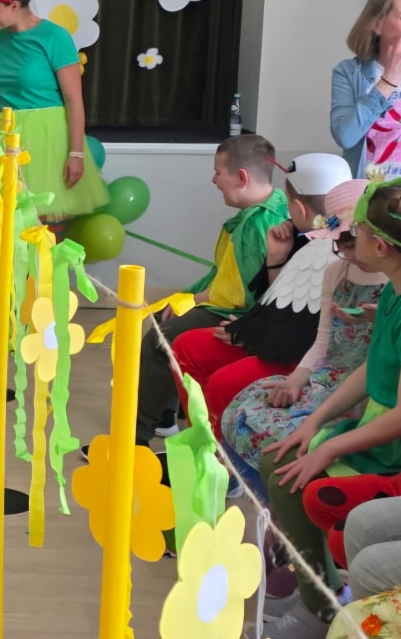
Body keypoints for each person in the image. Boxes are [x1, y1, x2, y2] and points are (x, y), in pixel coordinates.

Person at [248, 179, 401, 639]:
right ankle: (320, 590)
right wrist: (314, 425)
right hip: (376, 426)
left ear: (380, 246)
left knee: (298, 479)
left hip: (391, 446)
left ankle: (322, 607)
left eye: (358, 230)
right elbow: (372, 369)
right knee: (281, 457)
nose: (349, 237)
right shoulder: (394, 292)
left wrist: (329, 446)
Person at [172, 156, 357, 440]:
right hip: (278, 337)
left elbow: (308, 327)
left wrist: (250, 334)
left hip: (302, 353)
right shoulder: (294, 235)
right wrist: (276, 258)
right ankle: (200, 440)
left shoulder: (334, 248)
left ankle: (223, 456)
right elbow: (281, 301)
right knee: (188, 345)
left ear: (298, 207)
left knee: (223, 382)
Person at [223, 184, 385, 496]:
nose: (349, 253)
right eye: (340, 244)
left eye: (352, 242)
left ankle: (281, 506)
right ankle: (266, 502)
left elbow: (377, 364)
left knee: (284, 436)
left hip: (365, 390)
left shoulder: (392, 283)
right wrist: (296, 380)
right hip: (326, 377)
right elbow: (323, 341)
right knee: (243, 410)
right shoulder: (336, 272)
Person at [134, 134, 289, 447]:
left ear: (241, 177)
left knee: (159, 338)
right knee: (164, 316)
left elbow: (237, 294)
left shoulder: (260, 223)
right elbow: (222, 273)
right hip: (234, 306)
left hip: (242, 315)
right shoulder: (266, 209)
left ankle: (137, 436)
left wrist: (194, 300)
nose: (214, 180)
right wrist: (184, 298)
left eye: (218, 172)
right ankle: (166, 416)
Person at [0, 0, 108, 234]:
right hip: (4, 138)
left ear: (14, 6)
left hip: (46, 139)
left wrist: (76, 153)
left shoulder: (54, 37)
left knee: (45, 227)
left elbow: (74, 99)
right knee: (6, 226)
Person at [331, 0, 401, 177]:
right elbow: (346, 137)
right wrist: (388, 80)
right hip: (366, 191)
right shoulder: (348, 72)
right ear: (377, 24)